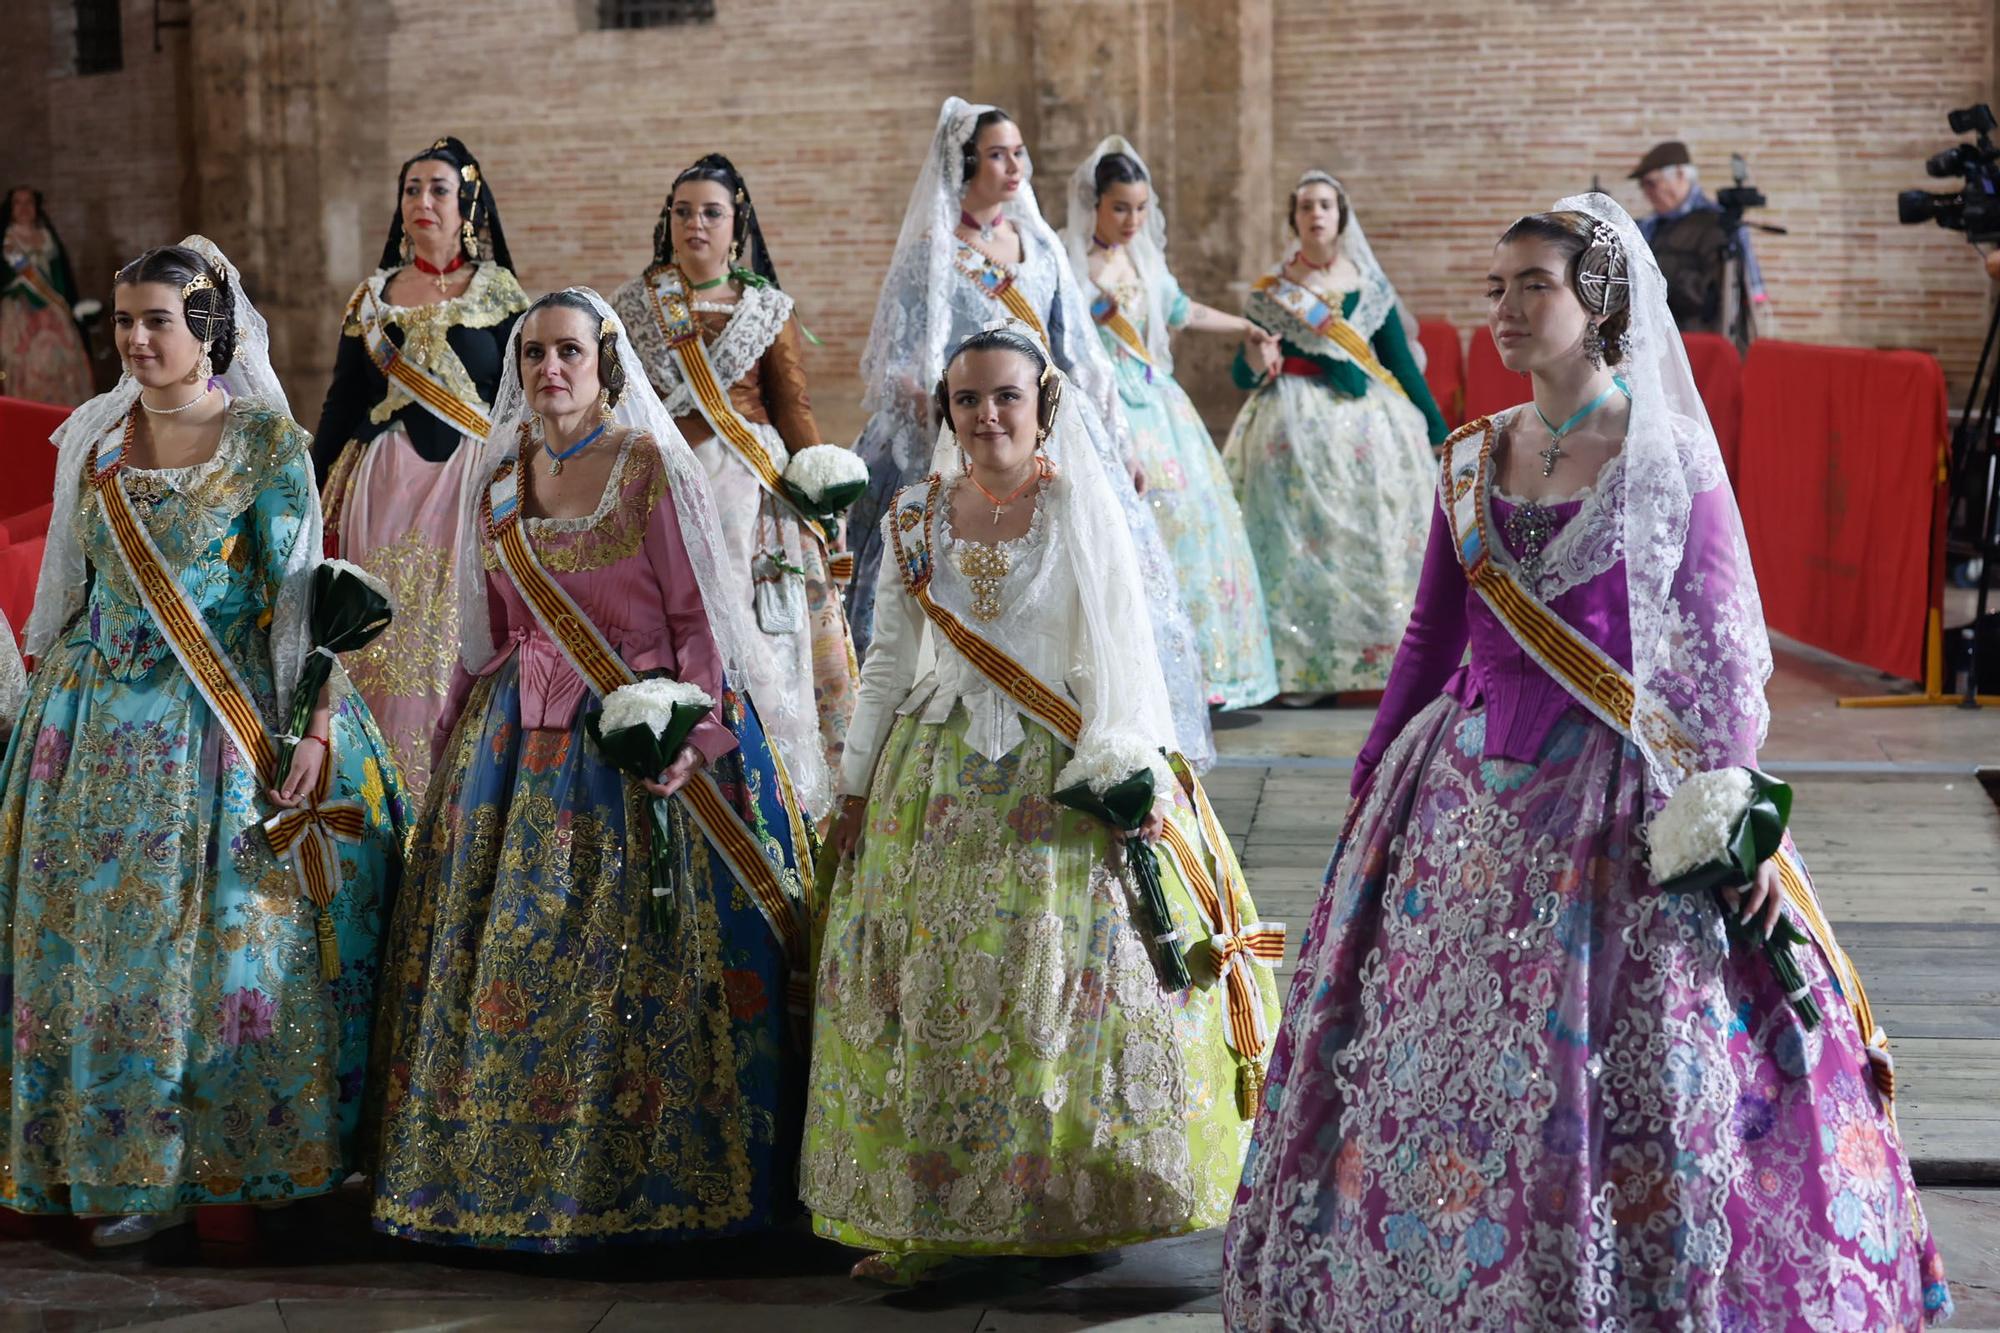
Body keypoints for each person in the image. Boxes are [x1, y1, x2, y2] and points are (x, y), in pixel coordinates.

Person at [1219, 195, 1952, 1330]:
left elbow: (1714, 646)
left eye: (1531, 286)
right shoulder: (1470, 454)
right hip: (1455, 797)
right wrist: (1373, 787)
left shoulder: (1662, 456)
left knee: (1629, 1069)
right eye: (1496, 287)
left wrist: (1728, 803)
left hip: (1616, 807)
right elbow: (1429, 635)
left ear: (1598, 301)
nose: (1504, 308)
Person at [803, 327, 1280, 1286]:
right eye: (967, 399)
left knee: (1056, 989)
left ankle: (1063, 1197)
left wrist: (1127, 770)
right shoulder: (910, 517)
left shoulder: (1075, 506)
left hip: (1057, 775)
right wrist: (851, 789)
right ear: (947, 410)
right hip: (932, 784)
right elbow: (889, 663)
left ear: (1042, 404)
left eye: (1005, 397)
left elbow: (1117, 648)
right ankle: (934, 1205)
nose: (986, 416)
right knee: (935, 987)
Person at [370, 289, 814, 1252]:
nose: (549, 371)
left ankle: (646, 1187)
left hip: (635, 743)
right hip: (515, 755)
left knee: (637, 970)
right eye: (532, 356)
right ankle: (500, 1185)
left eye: (569, 352)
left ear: (605, 362)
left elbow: (701, 624)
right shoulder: (499, 482)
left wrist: (692, 741)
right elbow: (481, 634)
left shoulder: (652, 468)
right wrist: (448, 734)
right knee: (512, 960)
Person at [0, 238, 406, 1248]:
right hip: (93, 728)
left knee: (214, 948)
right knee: (105, 953)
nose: (136, 340)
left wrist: (311, 723)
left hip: (213, 727)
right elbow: (63, 589)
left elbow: (303, 595)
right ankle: (110, 1163)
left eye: (158, 323)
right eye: (125, 322)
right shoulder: (95, 439)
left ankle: (214, 1162)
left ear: (209, 332)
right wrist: (35, 711)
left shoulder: (265, 442)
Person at [845, 97, 1214, 770]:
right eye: (997, 154)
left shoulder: (1037, 243)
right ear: (965, 164)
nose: (1015, 165)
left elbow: (1077, 349)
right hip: (958, 432)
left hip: (1039, 426)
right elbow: (901, 357)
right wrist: (945, 396)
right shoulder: (932, 251)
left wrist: (1116, 438)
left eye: (1019, 152)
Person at [613, 154, 856, 815]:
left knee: (767, 636)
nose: (695, 223)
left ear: (736, 226)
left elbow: (793, 408)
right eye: (683, 211)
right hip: (663, 489)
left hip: (753, 497)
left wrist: (824, 495)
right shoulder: (634, 306)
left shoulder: (765, 310)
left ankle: (770, 771)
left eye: (711, 212)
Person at [313, 137, 528, 802]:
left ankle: (447, 799)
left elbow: (520, 405)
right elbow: (342, 402)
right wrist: (308, 494)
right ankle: (369, 793)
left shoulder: (500, 293)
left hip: (465, 493)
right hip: (381, 491)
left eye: (438, 188)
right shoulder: (372, 300)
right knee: (376, 641)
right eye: (411, 189)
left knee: (446, 645)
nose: (422, 201)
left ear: (466, 203)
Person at [1061, 137, 1279, 710]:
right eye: (1120, 208)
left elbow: (1183, 310)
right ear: (1094, 205)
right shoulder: (1071, 266)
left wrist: (1246, 326)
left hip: (1160, 402)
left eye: (1141, 208)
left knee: (1194, 526)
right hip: (1108, 409)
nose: (1133, 220)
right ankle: (1140, 669)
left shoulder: (1143, 258)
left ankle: (1202, 671)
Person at [1224, 171, 1447, 706]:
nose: (1316, 214)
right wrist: (1257, 359)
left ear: (1341, 216)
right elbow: (1242, 371)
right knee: (1292, 542)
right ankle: (1297, 668)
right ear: (1294, 219)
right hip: (1289, 427)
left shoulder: (1368, 286)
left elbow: (1398, 362)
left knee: (1370, 531)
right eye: (1305, 207)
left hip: (1365, 428)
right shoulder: (1273, 290)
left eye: (1325, 205)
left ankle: (1373, 656)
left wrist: (1437, 429)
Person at [1632, 140, 1770, 347]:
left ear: (1679, 174)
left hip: (1701, 346)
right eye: (1642, 186)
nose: (1646, 193)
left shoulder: (1718, 224)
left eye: (1651, 183)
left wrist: (1656, 283)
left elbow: (1727, 293)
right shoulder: (1651, 225)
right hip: (1660, 342)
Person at [2, 186, 94, 406]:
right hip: (18, 308)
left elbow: (59, 276)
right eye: (18, 202)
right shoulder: (7, 239)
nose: (24, 208)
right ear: (10, 208)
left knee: (65, 357)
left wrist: (62, 303)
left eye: (29, 202)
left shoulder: (46, 237)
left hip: (52, 307)